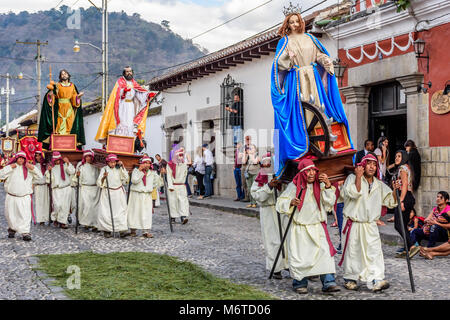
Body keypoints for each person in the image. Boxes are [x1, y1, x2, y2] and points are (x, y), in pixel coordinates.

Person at [271, 8, 353, 175]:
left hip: (312, 77)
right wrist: (288, 56)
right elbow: (278, 63)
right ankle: (306, 142)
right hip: (296, 79)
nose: (294, 24)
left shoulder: (310, 38)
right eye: (291, 22)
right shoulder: (285, 41)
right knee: (302, 111)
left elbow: (319, 55)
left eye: (297, 21)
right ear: (287, 25)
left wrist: (326, 61)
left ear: (301, 22)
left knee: (317, 106)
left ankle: (324, 141)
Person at [276, 158, 340, 294]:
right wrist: (291, 202)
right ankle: (300, 283)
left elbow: (329, 204)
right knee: (301, 257)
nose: (311, 173)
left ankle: (329, 282)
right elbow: (280, 202)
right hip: (300, 229)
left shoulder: (321, 185)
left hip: (317, 227)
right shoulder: (294, 186)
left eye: (313, 170)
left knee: (325, 255)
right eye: (308, 171)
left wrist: (328, 186)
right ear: (302, 173)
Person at [340, 153, 399, 292]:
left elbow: (391, 202)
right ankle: (351, 278)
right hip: (354, 222)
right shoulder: (352, 178)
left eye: (374, 164)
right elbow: (353, 193)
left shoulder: (379, 184)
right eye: (369, 163)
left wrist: (396, 189)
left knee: (374, 251)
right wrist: (359, 177)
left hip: (370, 224)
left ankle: (376, 279)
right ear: (363, 165)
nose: (372, 167)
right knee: (353, 252)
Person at [250, 153, 289, 279]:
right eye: (265, 165)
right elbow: (257, 196)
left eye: (269, 165)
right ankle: (276, 267)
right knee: (272, 240)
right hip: (268, 211)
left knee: (286, 238)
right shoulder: (259, 179)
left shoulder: (282, 176)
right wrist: (268, 187)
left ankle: (288, 265)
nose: (267, 167)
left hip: (282, 210)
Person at [95, 66, 155, 144]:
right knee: (121, 123)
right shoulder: (119, 82)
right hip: (121, 106)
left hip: (130, 106)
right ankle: (118, 141)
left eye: (130, 71)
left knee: (130, 123)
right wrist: (123, 92)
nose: (129, 73)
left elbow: (139, 94)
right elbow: (116, 95)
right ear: (124, 73)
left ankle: (129, 141)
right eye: (127, 71)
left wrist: (147, 96)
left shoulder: (134, 83)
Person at [38, 69, 85, 149]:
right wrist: (50, 93)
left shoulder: (72, 85)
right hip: (59, 107)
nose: (64, 75)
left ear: (68, 75)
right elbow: (52, 97)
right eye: (62, 74)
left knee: (70, 124)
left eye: (65, 73)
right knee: (58, 125)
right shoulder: (57, 85)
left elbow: (74, 97)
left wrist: (78, 97)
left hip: (69, 108)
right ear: (60, 77)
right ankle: (59, 144)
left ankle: (70, 144)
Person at [1, 151, 43, 241]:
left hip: (25, 196)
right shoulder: (11, 167)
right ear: (16, 158)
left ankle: (25, 232)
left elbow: (40, 177)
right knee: (11, 215)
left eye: (23, 158)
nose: (21, 160)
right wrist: (9, 167)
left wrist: (33, 169)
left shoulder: (29, 169)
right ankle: (12, 229)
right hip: (11, 196)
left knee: (25, 215)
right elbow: (1, 175)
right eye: (19, 158)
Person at [127, 156, 163, 238]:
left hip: (147, 195)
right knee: (134, 212)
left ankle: (146, 231)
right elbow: (134, 181)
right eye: (145, 163)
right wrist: (140, 171)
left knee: (146, 213)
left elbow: (158, 184)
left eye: (148, 163)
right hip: (136, 194)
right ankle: (133, 229)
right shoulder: (136, 171)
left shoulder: (152, 173)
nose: (147, 165)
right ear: (141, 163)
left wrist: (161, 174)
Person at [96, 154, 130, 238]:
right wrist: (104, 177)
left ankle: (122, 230)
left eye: (114, 162)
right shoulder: (104, 169)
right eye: (111, 162)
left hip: (118, 192)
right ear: (108, 162)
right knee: (106, 212)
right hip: (107, 192)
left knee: (120, 211)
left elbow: (126, 178)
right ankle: (107, 230)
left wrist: (122, 166)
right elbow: (99, 183)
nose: (113, 164)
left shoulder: (119, 169)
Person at [409, 191, 450, 258]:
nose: (438, 199)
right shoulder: (435, 209)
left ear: (446, 200)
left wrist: (436, 223)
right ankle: (415, 247)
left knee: (434, 227)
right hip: (429, 230)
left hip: (443, 233)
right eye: (437, 197)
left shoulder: (448, 210)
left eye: (441, 197)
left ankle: (428, 249)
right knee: (414, 231)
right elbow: (426, 220)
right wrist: (429, 221)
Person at [391, 150, 416, 258]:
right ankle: (407, 248)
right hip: (409, 197)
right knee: (403, 225)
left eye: (399, 156)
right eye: (396, 156)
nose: (396, 158)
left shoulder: (402, 169)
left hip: (405, 198)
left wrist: (401, 200)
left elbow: (405, 185)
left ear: (404, 157)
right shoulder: (407, 168)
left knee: (398, 224)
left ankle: (412, 246)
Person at [46, 152, 75, 229]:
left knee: (65, 206)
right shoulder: (52, 167)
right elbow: (48, 179)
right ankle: (55, 218)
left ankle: (63, 222)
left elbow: (72, 172)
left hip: (66, 188)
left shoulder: (65, 165)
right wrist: (49, 171)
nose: (57, 161)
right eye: (55, 160)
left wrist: (68, 162)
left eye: (58, 160)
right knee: (57, 205)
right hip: (56, 189)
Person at [74, 150, 100, 231]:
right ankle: (86, 223)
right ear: (84, 158)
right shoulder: (81, 166)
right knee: (87, 206)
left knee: (94, 207)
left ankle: (95, 224)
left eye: (89, 156)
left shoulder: (96, 166)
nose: (88, 158)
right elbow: (76, 178)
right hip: (85, 188)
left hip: (95, 188)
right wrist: (77, 176)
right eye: (87, 157)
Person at [166, 149, 190, 224]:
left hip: (181, 186)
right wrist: (170, 186)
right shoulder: (170, 165)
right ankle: (173, 217)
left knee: (183, 201)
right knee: (173, 202)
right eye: (179, 156)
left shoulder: (184, 165)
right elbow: (169, 176)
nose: (180, 157)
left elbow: (185, 174)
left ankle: (183, 216)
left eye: (182, 156)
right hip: (173, 185)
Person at [33, 151, 49, 225]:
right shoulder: (34, 166)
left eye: (39, 156)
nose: (38, 157)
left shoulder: (45, 165)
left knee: (46, 202)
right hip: (38, 186)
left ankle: (46, 218)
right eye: (36, 156)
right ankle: (40, 219)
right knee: (39, 203)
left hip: (45, 186)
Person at [243, 144, 260, 208]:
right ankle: (252, 202)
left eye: (251, 148)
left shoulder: (257, 155)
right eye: (249, 148)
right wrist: (245, 154)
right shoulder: (248, 156)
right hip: (248, 173)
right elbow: (243, 162)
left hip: (255, 173)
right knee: (249, 188)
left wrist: (250, 155)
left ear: (255, 149)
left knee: (254, 188)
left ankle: (255, 203)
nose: (250, 149)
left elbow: (255, 162)